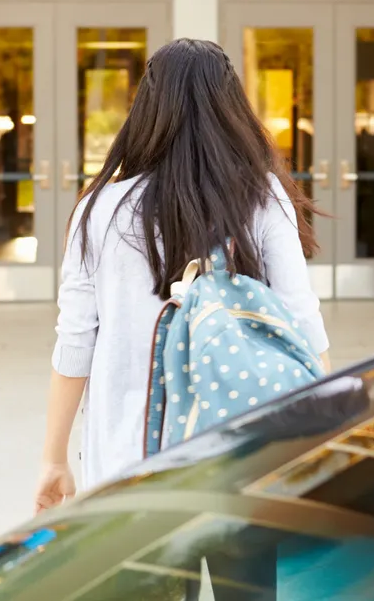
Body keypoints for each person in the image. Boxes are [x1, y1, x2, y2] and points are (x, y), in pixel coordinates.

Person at [35, 39, 331, 513]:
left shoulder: (100, 209)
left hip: (130, 460)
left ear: (148, 109)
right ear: (231, 107)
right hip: (245, 450)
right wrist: (326, 432)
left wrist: (53, 457)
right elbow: (302, 321)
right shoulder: (263, 197)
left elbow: (75, 342)